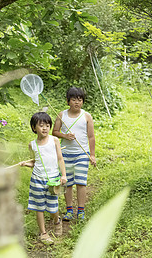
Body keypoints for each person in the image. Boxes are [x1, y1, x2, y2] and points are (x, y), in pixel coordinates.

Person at [20, 112, 67, 245]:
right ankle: (43, 233)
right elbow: (36, 162)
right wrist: (26, 164)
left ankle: (57, 220)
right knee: (38, 206)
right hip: (37, 179)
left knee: (52, 207)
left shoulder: (54, 140)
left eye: (47, 125)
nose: (45, 128)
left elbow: (60, 158)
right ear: (34, 128)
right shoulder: (32, 145)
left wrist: (63, 175)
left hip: (53, 179)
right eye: (41, 126)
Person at [52, 87, 96, 221]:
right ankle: (69, 210)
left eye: (80, 100)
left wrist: (92, 155)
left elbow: (91, 137)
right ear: (68, 101)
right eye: (74, 100)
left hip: (82, 154)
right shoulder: (61, 115)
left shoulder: (86, 116)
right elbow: (54, 132)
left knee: (81, 182)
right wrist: (65, 135)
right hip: (65, 154)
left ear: (83, 102)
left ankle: (81, 211)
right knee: (67, 182)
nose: (77, 103)